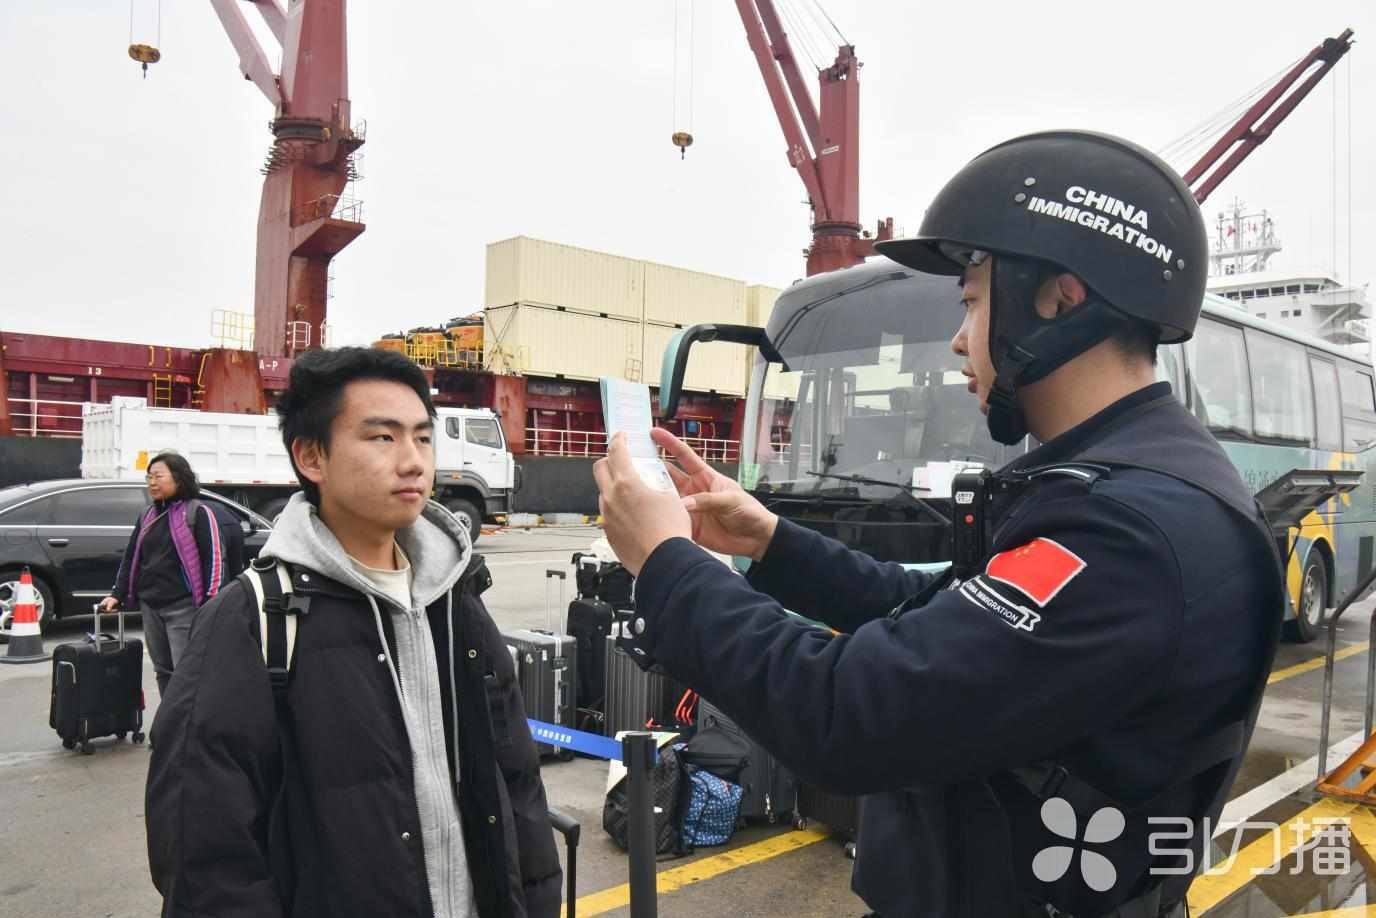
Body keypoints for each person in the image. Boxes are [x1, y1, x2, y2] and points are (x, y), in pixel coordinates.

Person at [593, 131, 1284, 918]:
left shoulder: (1128, 535)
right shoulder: (1115, 485)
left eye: (973, 301)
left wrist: (666, 562)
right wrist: (770, 541)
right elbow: (933, 618)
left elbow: (848, 715)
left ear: (1058, 299)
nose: (960, 339)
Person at [146, 347, 561, 918]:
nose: (413, 461)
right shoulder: (253, 618)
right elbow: (203, 850)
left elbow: (516, 782)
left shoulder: (455, 601)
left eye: (423, 438)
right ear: (311, 456)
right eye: (383, 438)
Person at [103, 451, 226, 696]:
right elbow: (131, 557)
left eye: (158, 476)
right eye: (149, 477)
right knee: (162, 670)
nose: (152, 482)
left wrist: (209, 603)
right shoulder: (147, 515)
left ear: (179, 479)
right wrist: (117, 594)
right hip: (151, 606)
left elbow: (214, 561)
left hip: (183, 608)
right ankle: (169, 718)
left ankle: (188, 719)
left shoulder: (198, 513)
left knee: (185, 672)